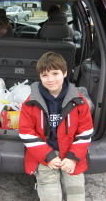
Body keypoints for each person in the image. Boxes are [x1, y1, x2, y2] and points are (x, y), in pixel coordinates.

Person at [19, 52, 93, 201]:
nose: (50, 79)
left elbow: (85, 132)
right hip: (45, 154)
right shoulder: (30, 102)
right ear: (39, 76)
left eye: (55, 73)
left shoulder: (79, 101)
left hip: (71, 153)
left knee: (77, 196)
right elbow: (27, 133)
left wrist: (72, 158)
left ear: (65, 73)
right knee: (50, 195)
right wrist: (49, 157)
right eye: (45, 75)